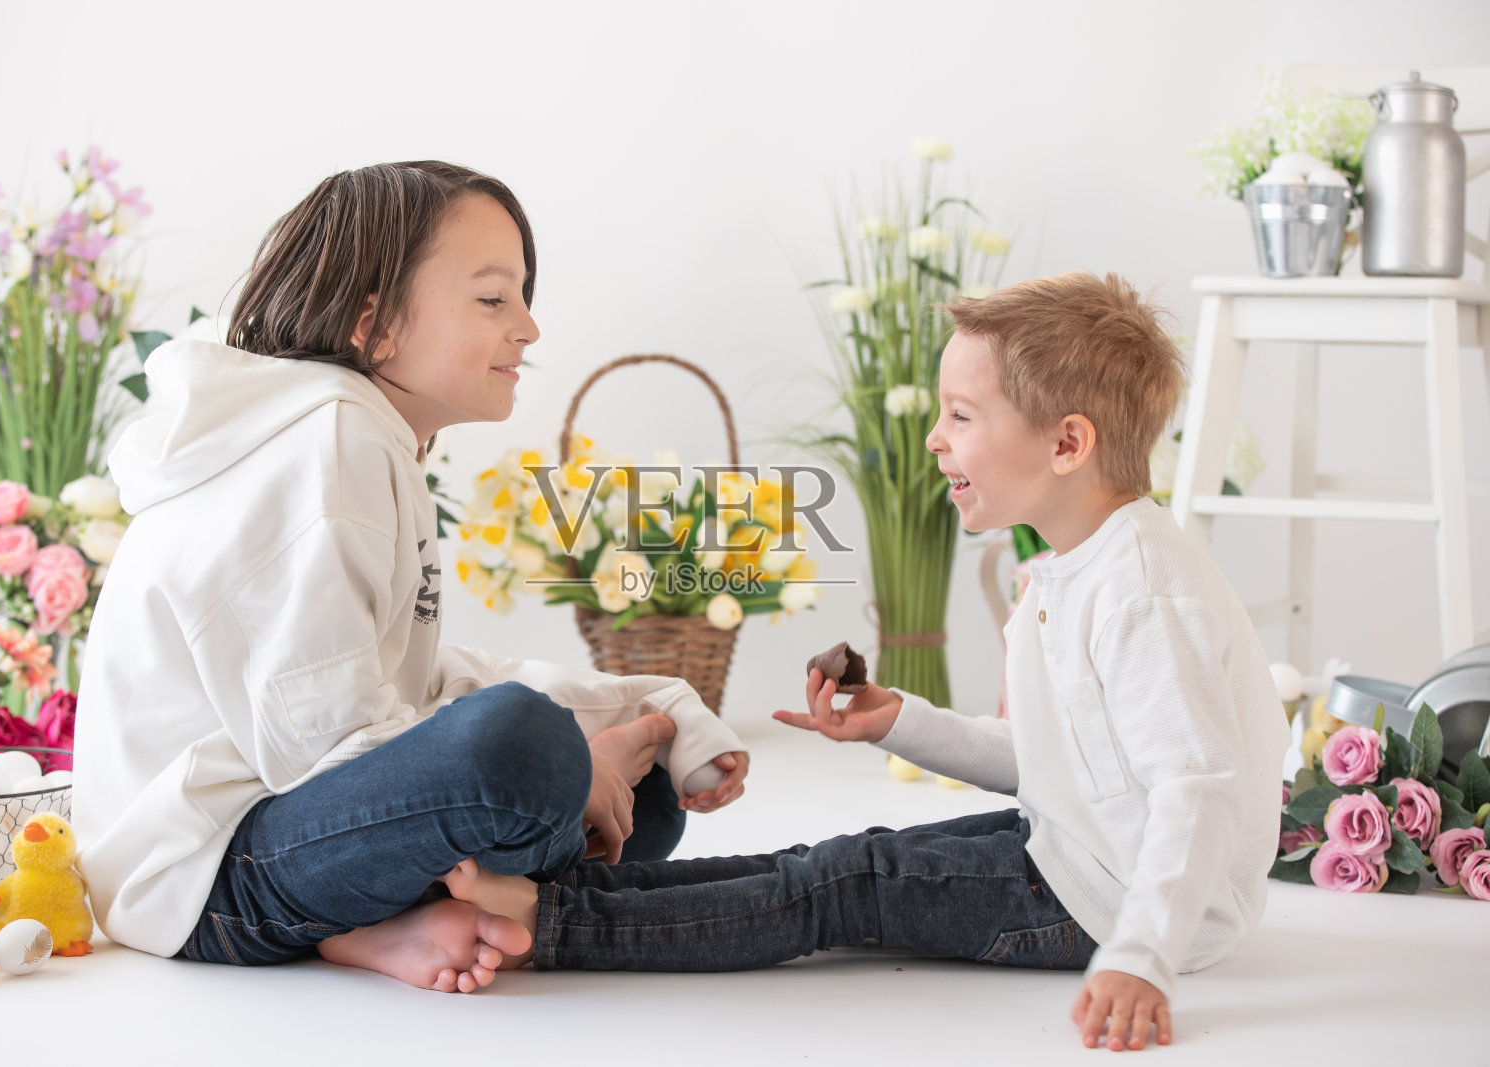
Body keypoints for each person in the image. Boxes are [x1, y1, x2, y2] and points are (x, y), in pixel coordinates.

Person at [444, 272, 1288, 1051]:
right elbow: (1063, 766)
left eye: (961, 415)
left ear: (1067, 442)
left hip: (1119, 907)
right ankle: (566, 901)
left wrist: (1140, 955)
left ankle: (551, 925)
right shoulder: (1076, 567)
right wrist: (902, 723)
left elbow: (1195, 790)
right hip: (1089, 859)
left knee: (844, 883)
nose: (933, 438)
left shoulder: (1140, 593)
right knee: (836, 859)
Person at [72, 161, 750, 994]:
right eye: (495, 298)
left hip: (291, 827)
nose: (529, 328)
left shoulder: (368, 436)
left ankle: (395, 919)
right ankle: (373, 922)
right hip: (204, 877)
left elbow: (424, 683)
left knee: (646, 800)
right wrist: (573, 762)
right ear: (376, 324)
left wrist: (654, 705)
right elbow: (324, 749)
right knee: (526, 751)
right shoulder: (324, 440)